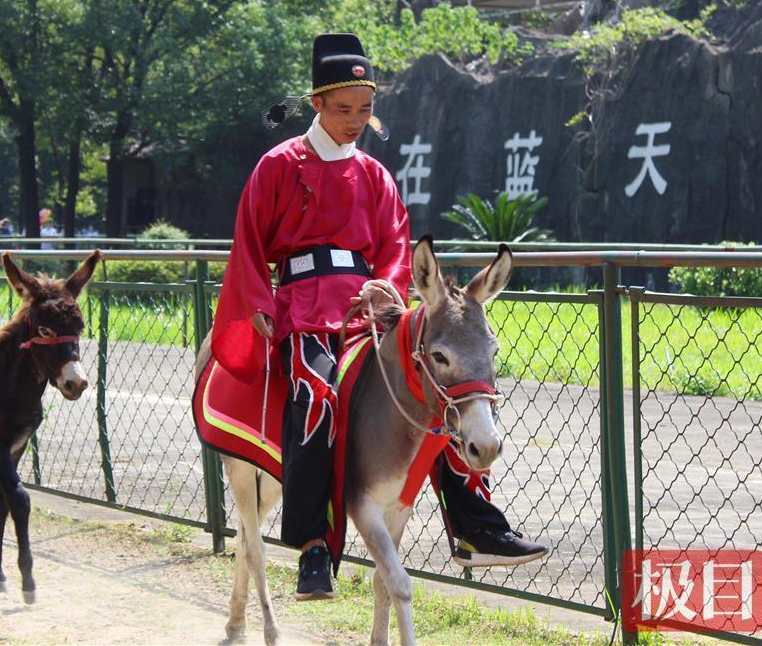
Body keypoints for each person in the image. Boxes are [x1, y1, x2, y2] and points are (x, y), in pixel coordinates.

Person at [210, 34, 546, 602]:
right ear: (316, 103)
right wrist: (260, 305)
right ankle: (314, 545)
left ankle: (474, 525)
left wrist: (386, 289)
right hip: (304, 312)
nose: (354, 122)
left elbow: (396, 246)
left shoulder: (375, 176)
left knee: (435, 390)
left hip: (370, 312)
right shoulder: (276, 167)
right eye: (343, 110)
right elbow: (248, 244)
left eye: (364, 110)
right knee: (314, 393)